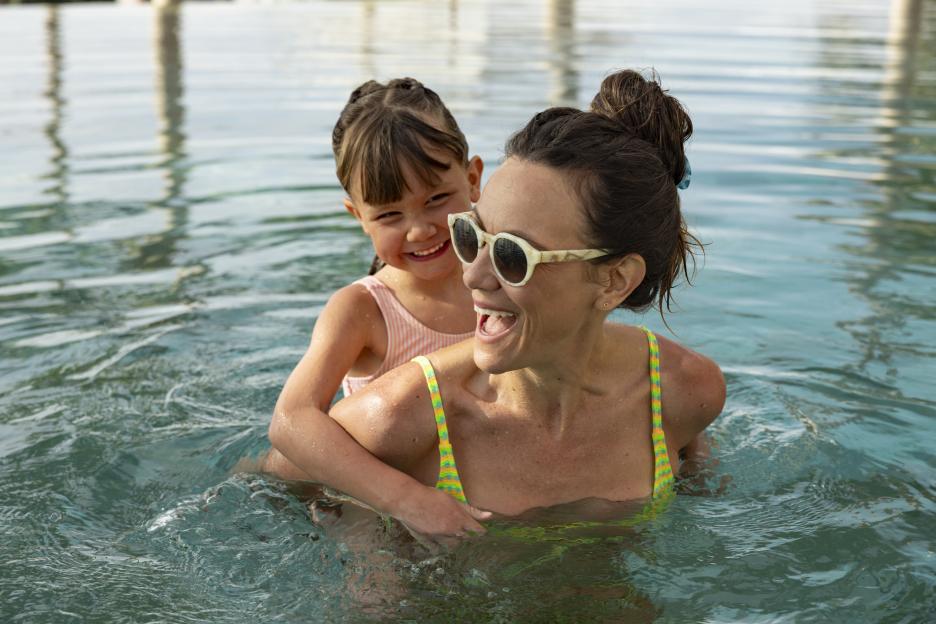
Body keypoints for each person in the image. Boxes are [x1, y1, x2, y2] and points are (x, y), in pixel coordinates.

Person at [268, 69, 726, 543]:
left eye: (514, 255)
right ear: (357, 215)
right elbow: (290, 432)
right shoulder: (390, 388)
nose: (473, 275)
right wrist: (399, 498)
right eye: (473, 238)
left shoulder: (682, 389)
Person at [261, 77, 484, 481]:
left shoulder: (510, 275)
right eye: (388, 215)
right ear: (358, 217)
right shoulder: (364, 310)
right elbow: (290, 421)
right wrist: (408, 501)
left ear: (473, 180)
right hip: (378, 492)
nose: (419, 230)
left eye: (436, 200)